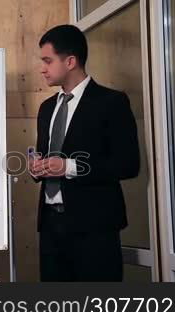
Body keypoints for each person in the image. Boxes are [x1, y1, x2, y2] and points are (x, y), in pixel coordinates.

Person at [28, 25, 140, 281]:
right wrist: (37, 167)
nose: (41, 68)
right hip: (50, 229)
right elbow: (47, 159)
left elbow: (128, 164)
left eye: (47, 60)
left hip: (94, 230)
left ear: (70, 61)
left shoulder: (111, 102)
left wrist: (67, 167)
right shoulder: (46, 108)